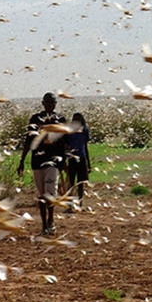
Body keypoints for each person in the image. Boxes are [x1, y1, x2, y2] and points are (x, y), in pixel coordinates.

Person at [17, 92, 68, 235]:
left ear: (55, 104)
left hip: (53, 162)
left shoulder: (60, 120)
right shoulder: (35, 119)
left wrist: (64, 162)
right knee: (41, 195)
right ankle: (44, 224)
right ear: (43, 103)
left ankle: (51, 221)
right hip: (37, 161)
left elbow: (64, 143)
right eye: (47, 102)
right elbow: (28, 141)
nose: (49, 105)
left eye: (52, 102)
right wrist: (22, 161)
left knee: (49, 192)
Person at [66, 112, 91, 211]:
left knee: (81, 183)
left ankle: (80, 203)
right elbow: (66, 145)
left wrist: (88, 163)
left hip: (81, 158)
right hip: (72, 158)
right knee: (71, 183)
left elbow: (85, 146)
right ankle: (70, 205)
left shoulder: (84, 130)